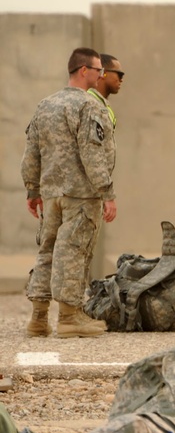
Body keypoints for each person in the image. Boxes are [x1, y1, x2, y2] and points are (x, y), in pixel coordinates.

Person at [21, 47, 117, 338]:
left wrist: (32, 189)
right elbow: (93, 153)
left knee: (47, 251)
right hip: (81, 194)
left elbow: (31, 153)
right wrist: (107, 193)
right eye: (98, 69)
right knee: (74, 251)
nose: (102, 74)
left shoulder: (45, 105)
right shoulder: (89, 106)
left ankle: (38, 319)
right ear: (83, 71)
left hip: (51, 194)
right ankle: (69, 316)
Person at [87, 53, 124, 129]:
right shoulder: (88, 103)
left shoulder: (104, 106)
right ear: (103, 73)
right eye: (119, 75)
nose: (121, 80)